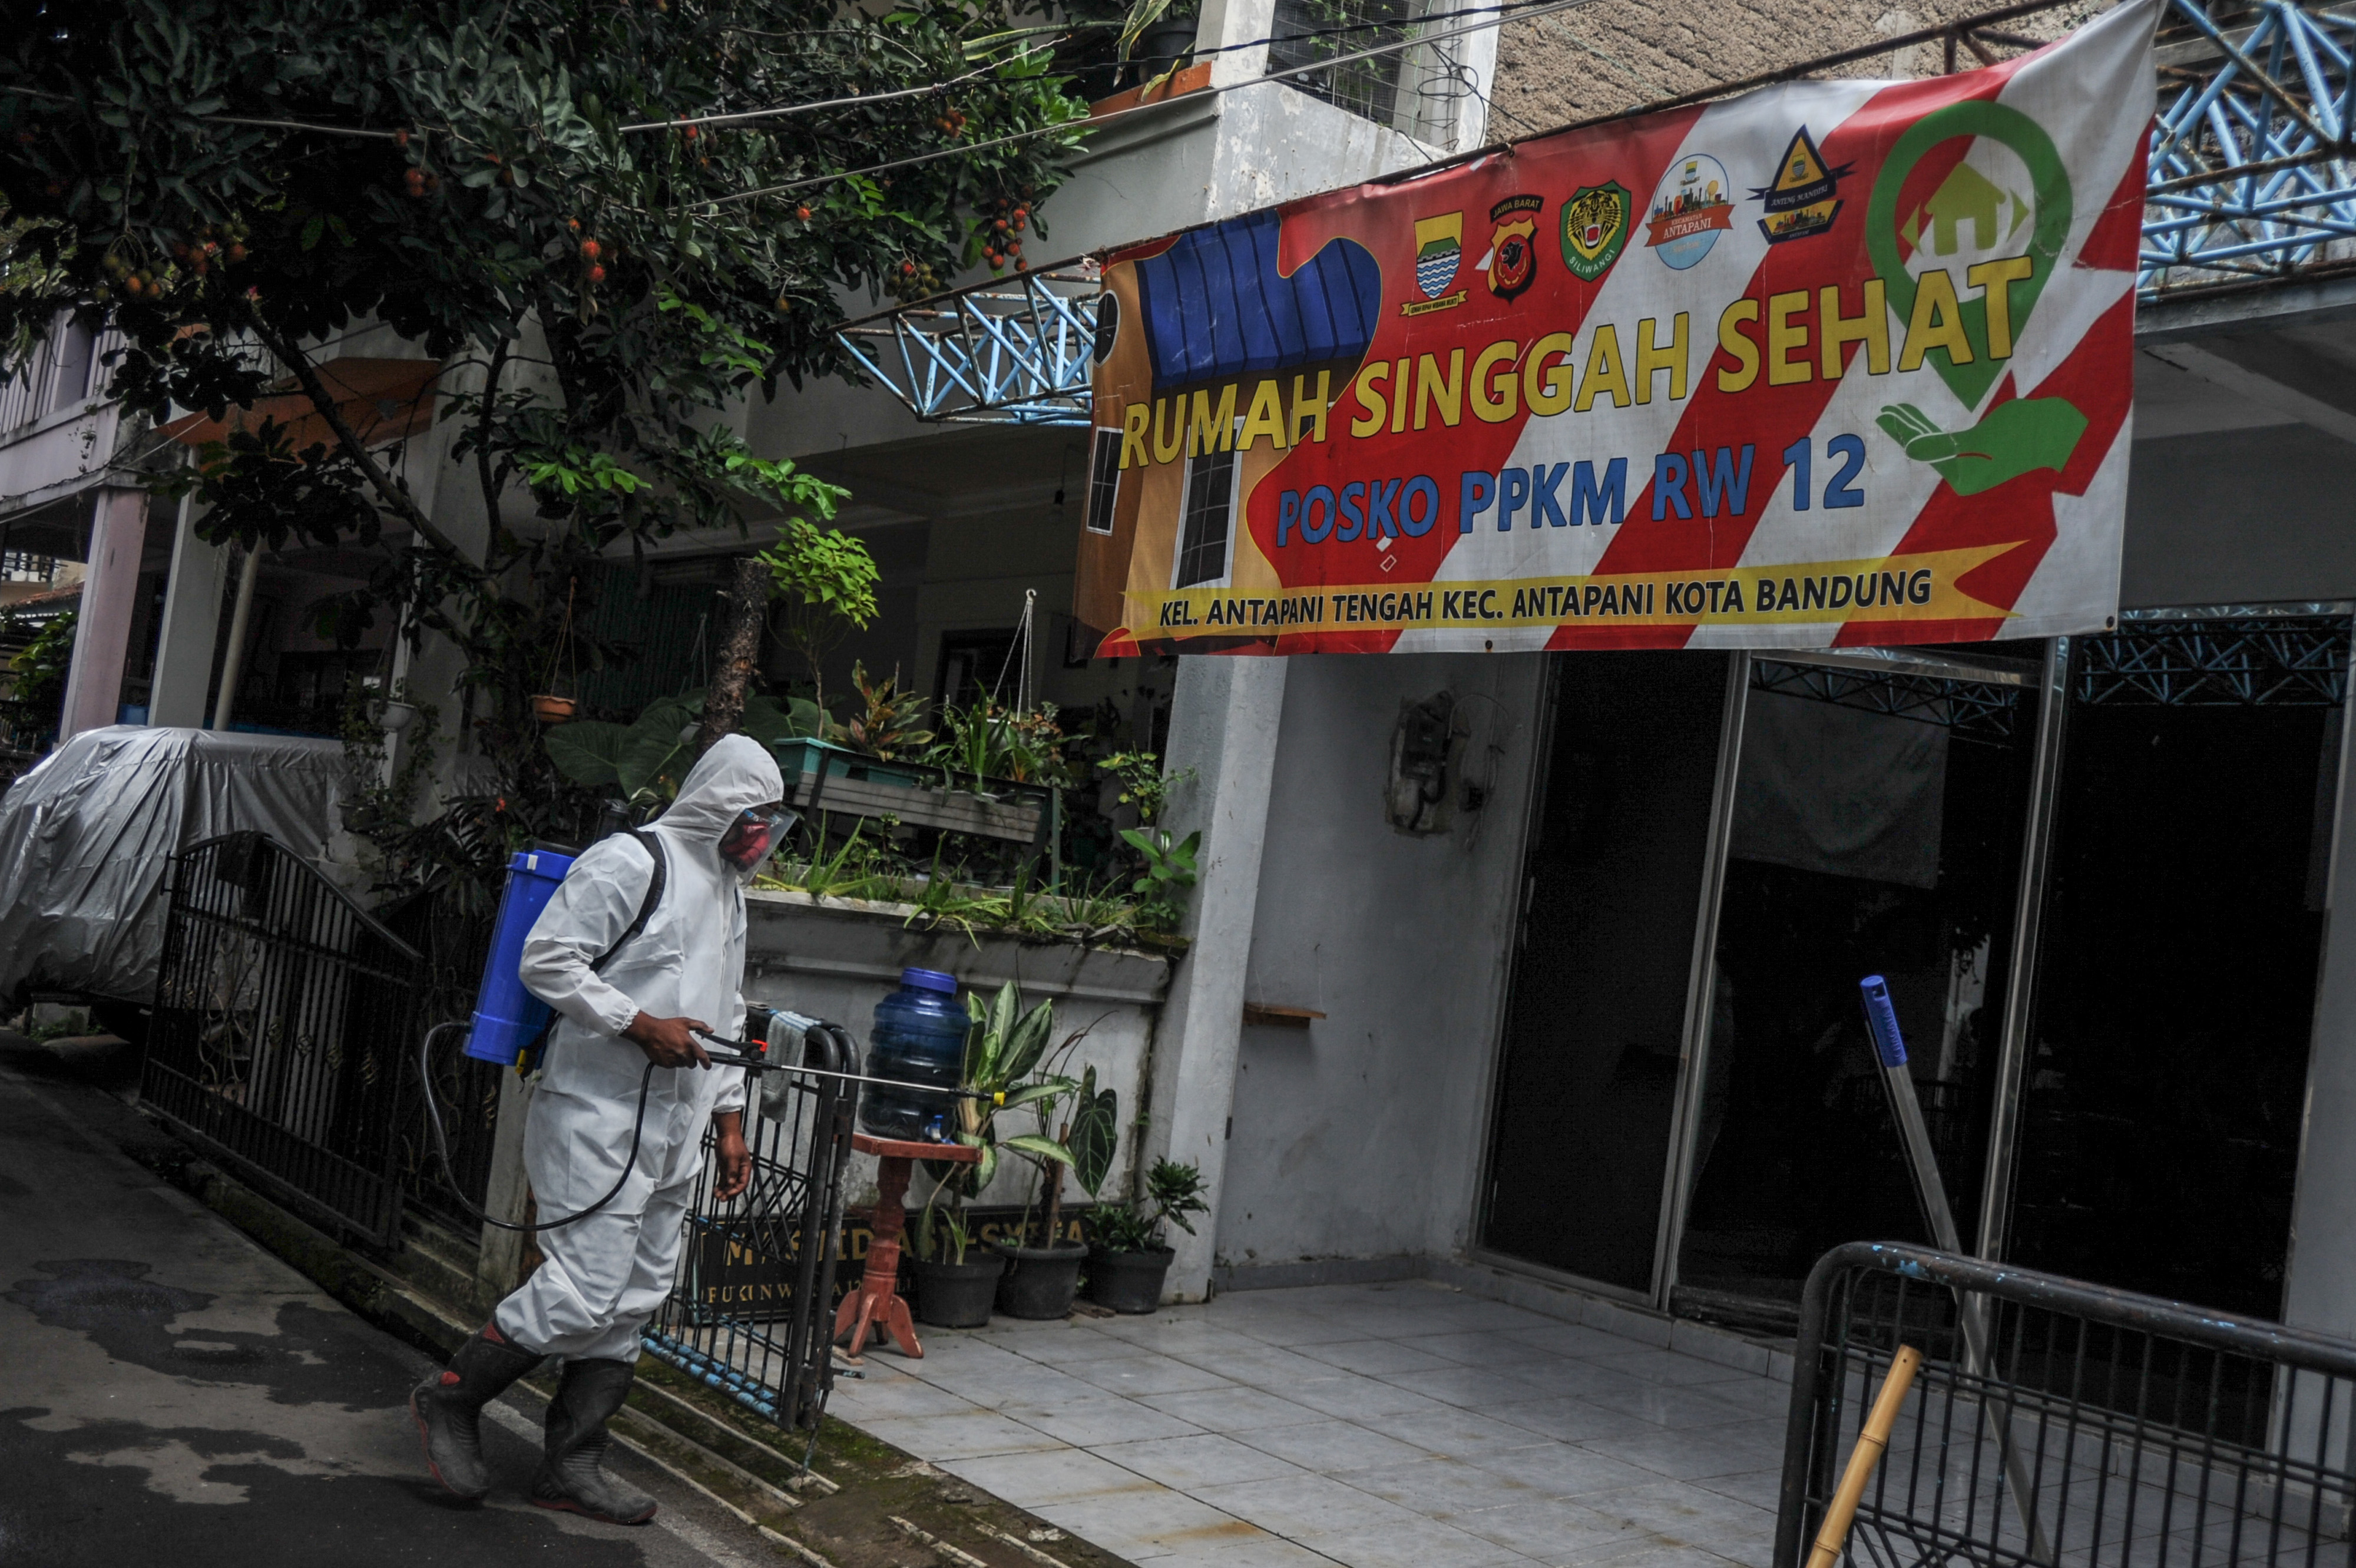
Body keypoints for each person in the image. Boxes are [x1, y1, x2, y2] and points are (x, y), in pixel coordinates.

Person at [410, 733, 792, 1524]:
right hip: (597, 1113)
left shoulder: (728, 889)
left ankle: (571, 1463)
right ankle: (450, 1396)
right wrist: (637, 1021)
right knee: (583, 1292)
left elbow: (725, 1013)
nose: (759, 835)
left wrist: (729, 1119)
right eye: (752, 815)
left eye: (769, 820)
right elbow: (547, 960)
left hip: (676, 1126)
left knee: (635, 1297)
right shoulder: (631, 861)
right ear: (719, 800)